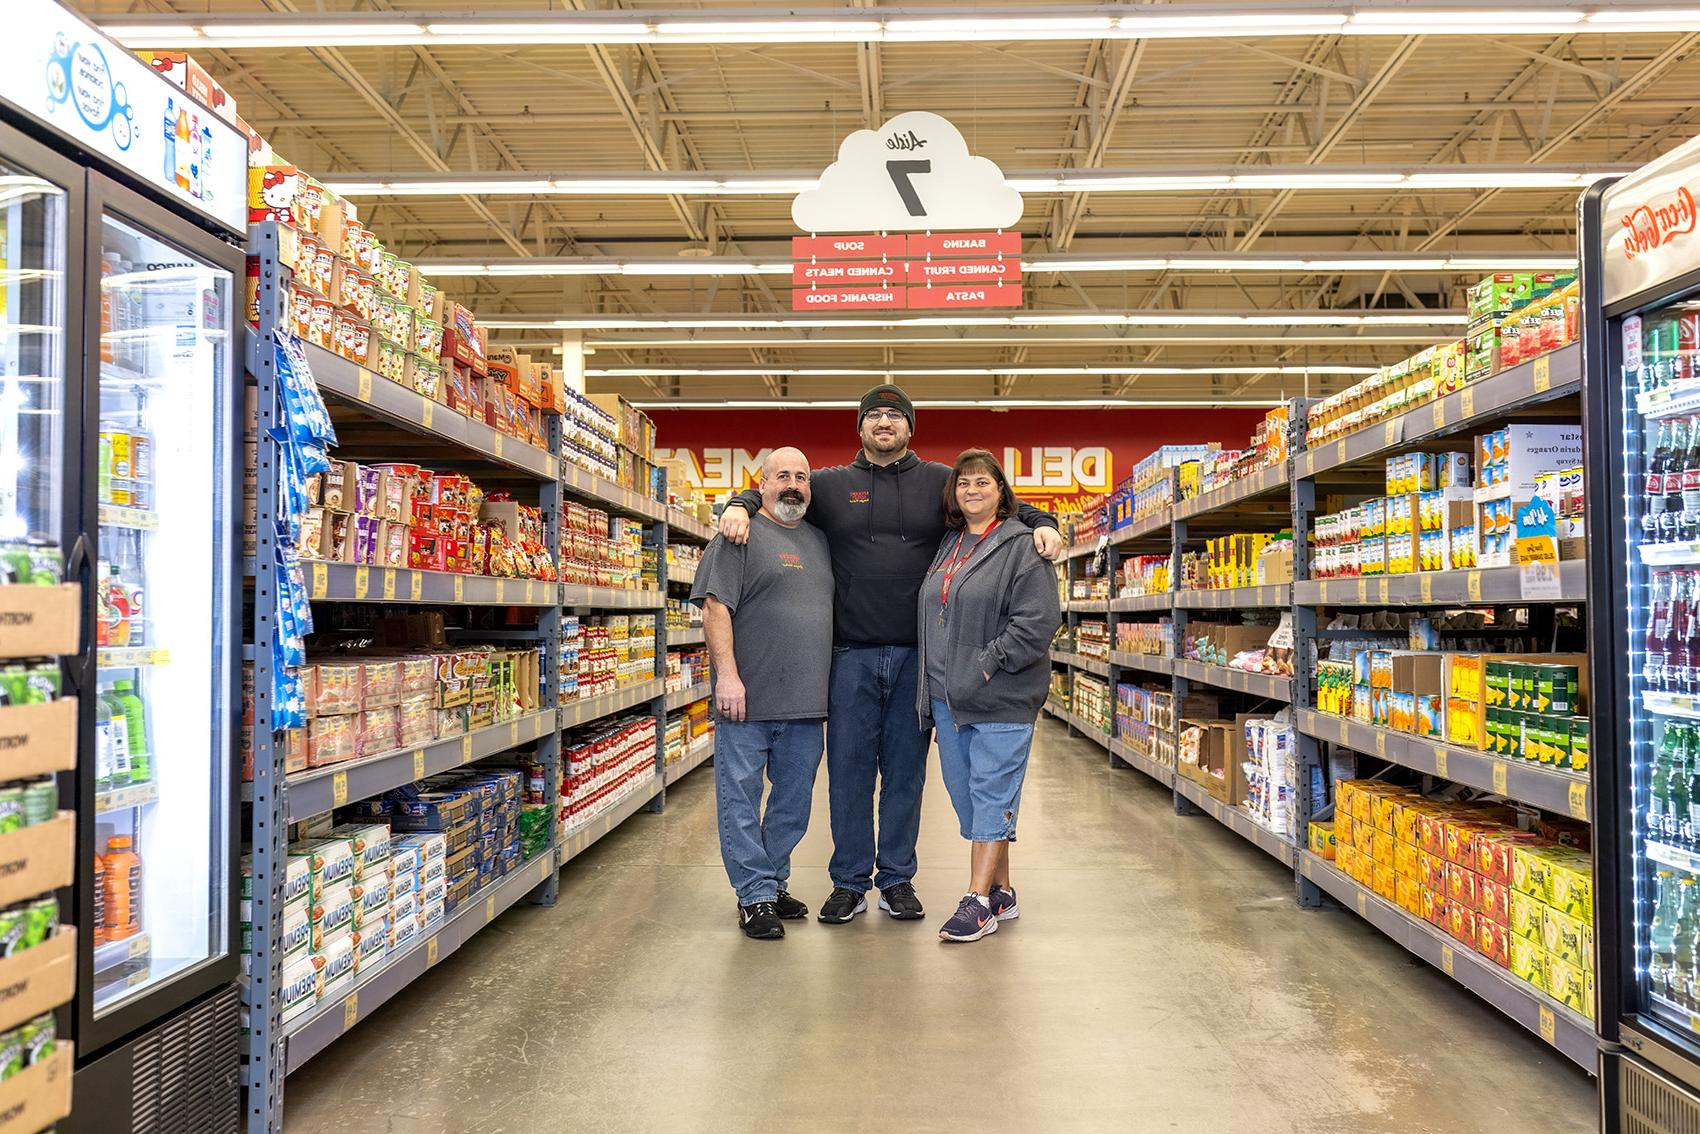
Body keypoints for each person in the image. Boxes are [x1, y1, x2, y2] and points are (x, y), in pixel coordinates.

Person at [718, 385, 1063, 924]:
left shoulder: (937, 482)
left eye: (894, 416)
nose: (884, 423)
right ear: (859, 427)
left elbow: (992, 497)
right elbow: (778, 495)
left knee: (906, 775)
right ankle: (850, 882)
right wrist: (738, 504)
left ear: (910, 427)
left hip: (917, 661)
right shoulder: (831, 485)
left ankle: (897, 879)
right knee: (848, 774)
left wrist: (1043, 523)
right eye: (874, 415)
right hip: (848, 655)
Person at [917, 449, 1062, 942]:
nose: (972, 490)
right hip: (948, 697)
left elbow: (1038, 623)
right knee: (968, 799)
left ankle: (977, 901)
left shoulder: (1023, 546)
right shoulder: (950, 544)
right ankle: (1003, 890)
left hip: (1000, 695)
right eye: (963, 483)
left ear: (1001, 491)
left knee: (990, 793)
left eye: (982, 482)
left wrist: (986, 664)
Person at [691, 447, 834, 940]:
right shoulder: (738, 535)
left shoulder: (820, 540)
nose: (792, 484)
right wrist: (726, 675)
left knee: (792, 805)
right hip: (746, 701)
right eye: (782, 476)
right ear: (762, 484)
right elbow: (714, 608)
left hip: (806, 703)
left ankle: (771, 883)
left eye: (801, 476)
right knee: (740, 800)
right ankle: (753, 896)